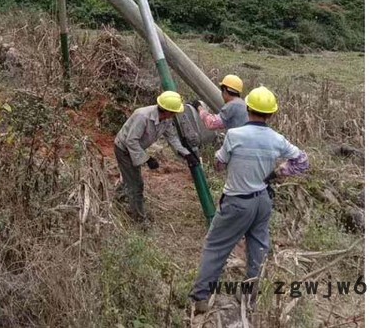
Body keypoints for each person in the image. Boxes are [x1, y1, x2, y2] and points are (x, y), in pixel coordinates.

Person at [189, 86, 310, 314]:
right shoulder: (277, 139)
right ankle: (250, 294)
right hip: (263, 200)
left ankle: (201, 297)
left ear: (248, 108)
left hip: (237, 200)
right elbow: (302, 161)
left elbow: (219, 164)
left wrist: (226, 161)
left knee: (216, 246)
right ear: (271, 114)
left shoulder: (235, 135)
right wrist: (277, 173)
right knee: (258, 247)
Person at [114, 91, 199, 222]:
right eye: (174, 112)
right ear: (167, 111)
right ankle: (140, 220)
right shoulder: (142, 117)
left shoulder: (166, 119)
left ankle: (120, 197)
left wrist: (186, 154)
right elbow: (130, 141)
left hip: (135, 148)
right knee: (137, 185)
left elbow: (172, 138)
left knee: (130, 178)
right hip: (124, 149)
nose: (175, 115)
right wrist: (147, 159)